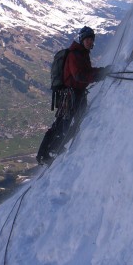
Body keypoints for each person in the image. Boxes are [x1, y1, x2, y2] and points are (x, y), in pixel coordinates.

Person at [36, 26, 110, 165]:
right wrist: (99, 75)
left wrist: (101, 71)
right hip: (71, 95)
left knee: (74, 121)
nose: (90, 42)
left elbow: (85, 72)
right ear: (82, 40)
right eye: (87, 39)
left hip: (75, 94)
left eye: (91, 39)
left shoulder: (82, 54)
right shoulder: (74, 55)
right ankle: (47, 153)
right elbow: (79, 75)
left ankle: (52, 149)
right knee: (63, 124)